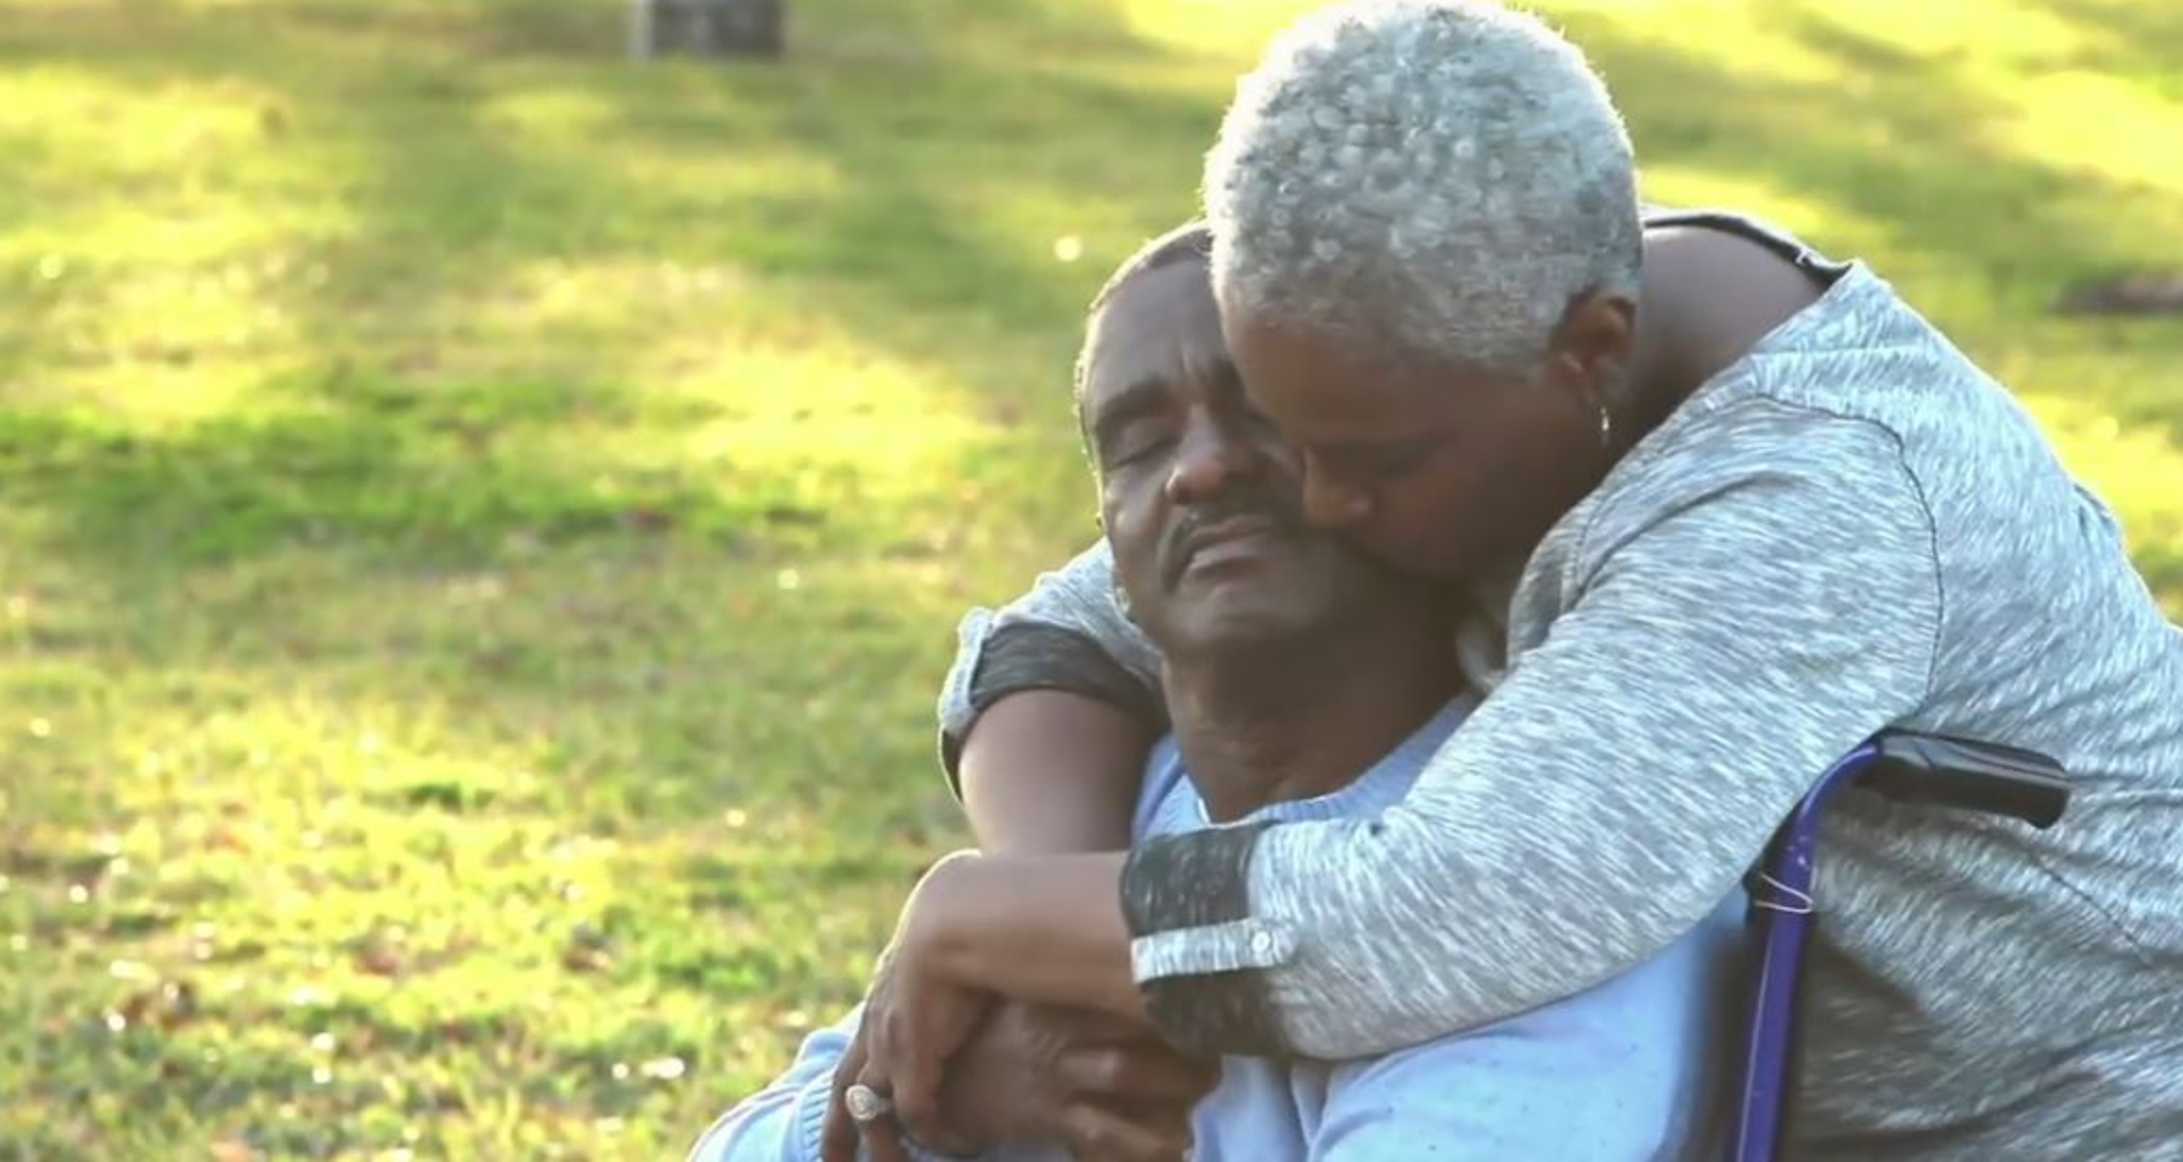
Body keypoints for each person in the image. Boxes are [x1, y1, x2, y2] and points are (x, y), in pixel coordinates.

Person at [827, 0, 2183, 1160]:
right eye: (1293, 438)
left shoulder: (1804, 501)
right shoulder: (1456, 368)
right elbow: (1058, 637)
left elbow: (1417, 919)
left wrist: (974, 920)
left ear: (1589, 351)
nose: (1323, 504)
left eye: (1374, 462)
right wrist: (1043, 925)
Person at [698, 224, 1743, 1161]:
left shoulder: (1538, 870)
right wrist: (942, 1103)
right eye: (1138, 442)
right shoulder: (1109, 822)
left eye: (1260, 411)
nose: (1196, 471)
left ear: (1405, 461)